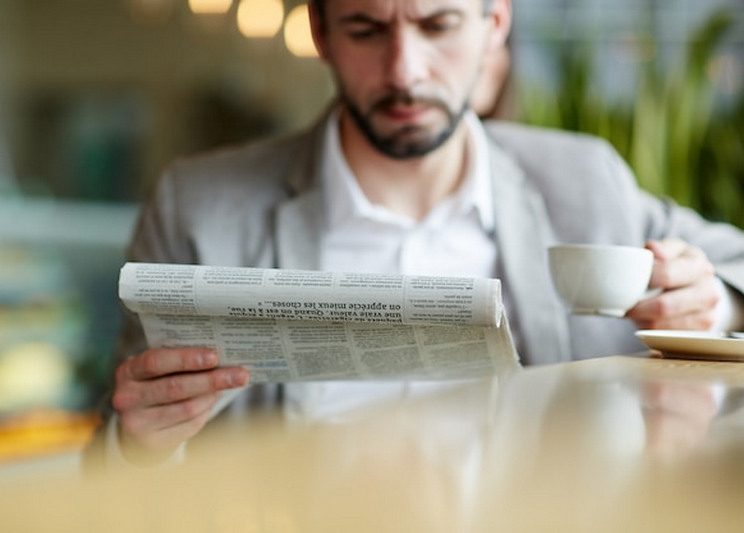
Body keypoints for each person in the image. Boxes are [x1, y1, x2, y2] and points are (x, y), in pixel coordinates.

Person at [92, 0, 744, 467]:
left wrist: (714, 300)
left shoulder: (582, 178)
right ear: (319, 30)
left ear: (495, 24)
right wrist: (142, 443)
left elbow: (733, 267)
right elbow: (109, 462)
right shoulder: (198, 206)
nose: (404, 70)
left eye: (437, 24)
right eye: (366, 28)